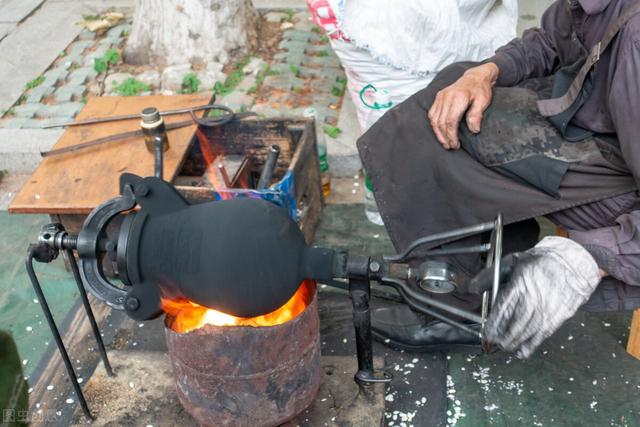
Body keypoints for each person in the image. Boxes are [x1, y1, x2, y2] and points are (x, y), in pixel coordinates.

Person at [358, 0, 640, 357]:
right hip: (593, 126)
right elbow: (552, 41)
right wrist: (484, 74)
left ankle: (456, 312)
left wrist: (590, 258)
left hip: (620, 183)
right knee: (452, 87)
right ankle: (473, 272)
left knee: (448, 135)